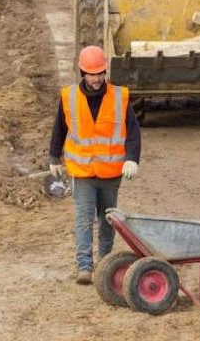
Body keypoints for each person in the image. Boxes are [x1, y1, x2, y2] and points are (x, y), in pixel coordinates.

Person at [48, 45, 141, 284]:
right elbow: (60, 128)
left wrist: (132, 158)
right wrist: (53, 157)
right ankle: (85, 267)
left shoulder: (119, 97)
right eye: (92, 74)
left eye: (100, 73)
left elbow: (133, 131)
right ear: (83, 72)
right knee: (84, 218)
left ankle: (104, 264)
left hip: (111, 173)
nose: (97, 79)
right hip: (83, 173)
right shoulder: (69, 97)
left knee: (108, 221)